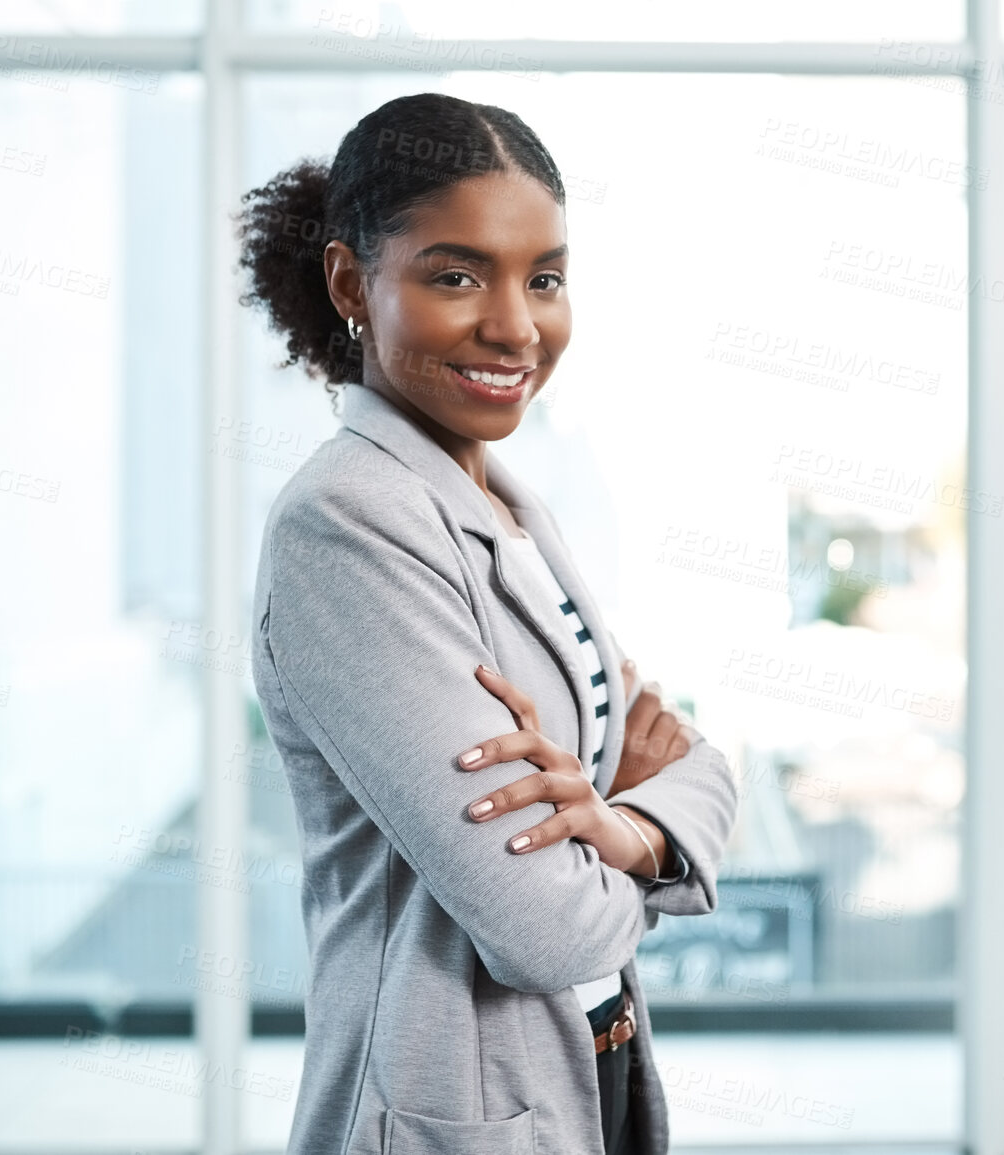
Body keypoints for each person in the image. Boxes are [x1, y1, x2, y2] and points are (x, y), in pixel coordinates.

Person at [237, 91, 740, 1155]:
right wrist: (652, 842)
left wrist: (618, 827)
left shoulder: (508, 504)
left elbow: (690, 755)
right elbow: (540, 924)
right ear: (351, 286)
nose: (516, 325)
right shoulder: (348, 525)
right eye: (456, 275)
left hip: (586, 1066)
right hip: (448, 1109)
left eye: (544, 277)